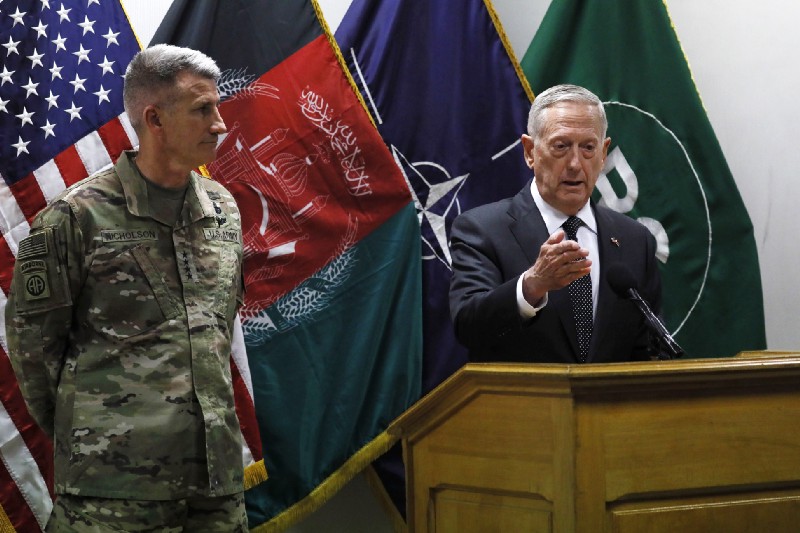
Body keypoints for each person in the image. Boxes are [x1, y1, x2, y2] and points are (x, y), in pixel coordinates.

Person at [5, 44, 248, 531]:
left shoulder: (222, 209)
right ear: (154, 119)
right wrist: (95, 438)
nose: (220, 125)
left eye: (217, 108)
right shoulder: (75, 218)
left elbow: (219, 331)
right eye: (203, 110)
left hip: (214, 486)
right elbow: (34, 352)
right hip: (112, 494)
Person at [449, 84, 661, 364]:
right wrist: (531, 286)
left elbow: (646, 348)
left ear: (603, 154)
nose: (575, 164)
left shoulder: (635, 240)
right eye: (561, 146)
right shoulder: (481, 230)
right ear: (530, 152)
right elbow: (468, 327)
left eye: (588, 148)